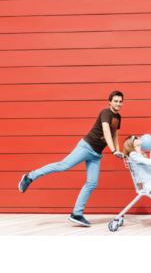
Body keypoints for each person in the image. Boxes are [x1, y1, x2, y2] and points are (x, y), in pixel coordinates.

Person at [18, 91, 127, 226]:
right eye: (115, 101)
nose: (118, 104)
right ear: (110, 102)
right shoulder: (105, 112)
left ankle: (77, 213)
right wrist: (113, 150)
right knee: (63, 165)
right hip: (86, 147)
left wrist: (118, 151)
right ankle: (29, 177)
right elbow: (106, 131)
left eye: (120, 101)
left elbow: (114, 134)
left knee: (92, 183)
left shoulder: (118, 117)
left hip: (96, 154)